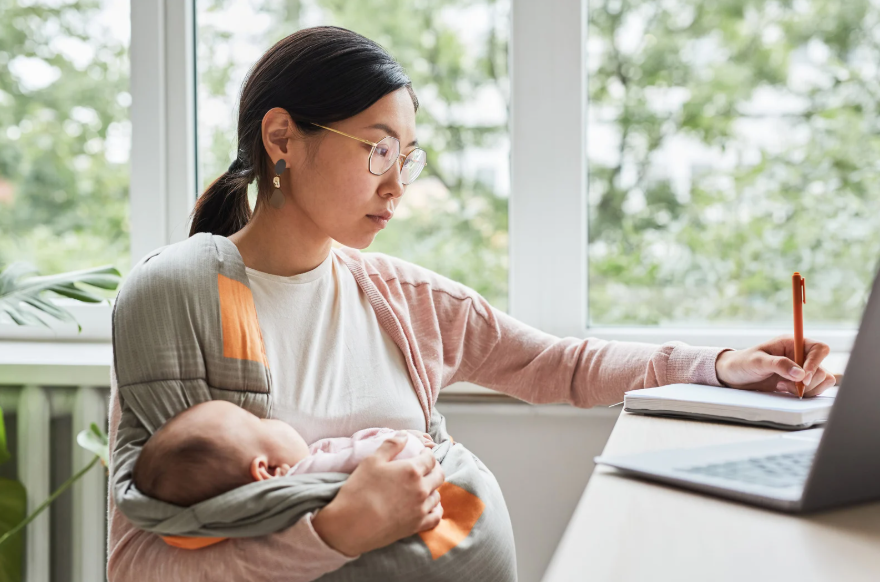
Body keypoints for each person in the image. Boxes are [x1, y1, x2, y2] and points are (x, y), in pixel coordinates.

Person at [106, 25, 835, 582]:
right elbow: (138, 564)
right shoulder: (179, 304)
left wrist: (722, 365)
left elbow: (559, 365)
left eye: (407, 155)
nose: (398, 185)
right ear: (281, 138)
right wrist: (334, 534)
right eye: (377, 149)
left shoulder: (402, 299)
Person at [132, 400, 433, 508]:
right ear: (269, 470)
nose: (268, 418)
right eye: (257, 422)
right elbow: (399, 457)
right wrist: (403, 439)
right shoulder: (306, 476)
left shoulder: (304, 468)